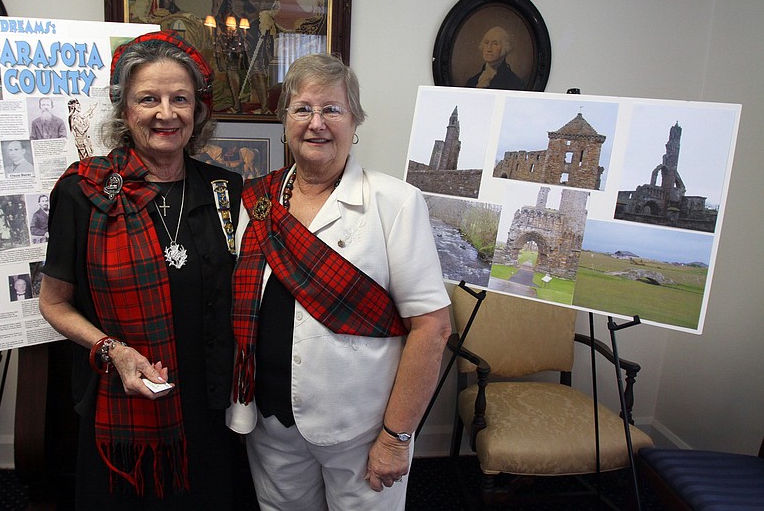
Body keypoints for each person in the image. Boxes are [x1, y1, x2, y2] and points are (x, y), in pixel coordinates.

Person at [227, 53, 452, 509]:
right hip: (271, 426)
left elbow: (433, 327)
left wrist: (396, 437)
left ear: (355, 122)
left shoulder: (396, 203)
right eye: (303, 108)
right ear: (285, 120)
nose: (317, 123)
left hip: (362, 432)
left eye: (332, 109)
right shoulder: (256, 203)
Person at [38, 30, 244, 509]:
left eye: (180, 99)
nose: (166, 113)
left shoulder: (225, 190)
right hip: (123, 406)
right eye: (148, 99)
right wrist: (112, 350)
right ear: (124, 109)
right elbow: (53, 302)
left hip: (210, 405)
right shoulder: (82, 192)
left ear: (199, 110)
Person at [157, 0, 276, 113]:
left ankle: (265, 109)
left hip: (252, 16)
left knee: (257, 64)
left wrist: (266, 10)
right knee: (231, 64)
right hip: (225, 16)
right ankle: (237, 106)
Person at [465, 26, 526, 90]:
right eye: (486, 43)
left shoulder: (516, 83)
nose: (489, 49)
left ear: (505, 48)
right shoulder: (472, 82)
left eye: (495, 44)